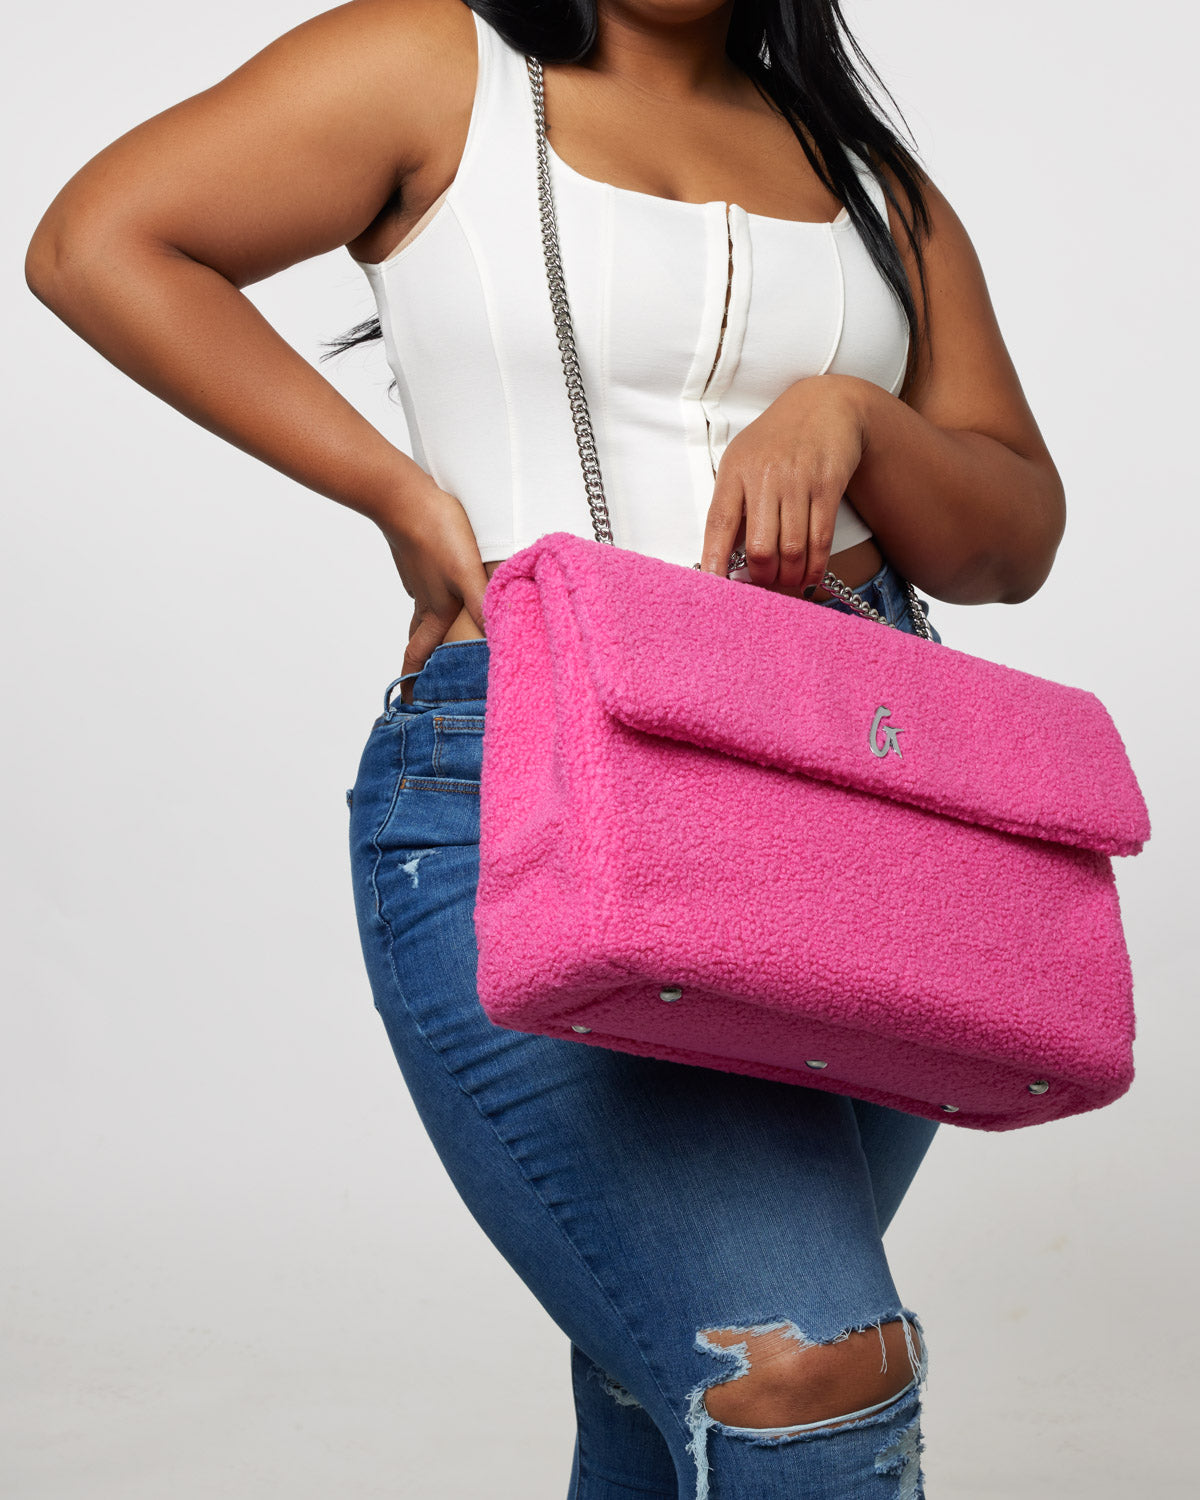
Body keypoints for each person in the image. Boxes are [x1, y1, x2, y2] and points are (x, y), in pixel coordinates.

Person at [24, 1, 1065, 1494]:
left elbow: (1010, 538)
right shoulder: (429, 64)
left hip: (867, 814)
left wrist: (852, 419)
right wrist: (396, 493)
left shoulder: (875, 178)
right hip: (541, 776)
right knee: (800, 1374)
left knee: (672, 1400)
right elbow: (98, 241)